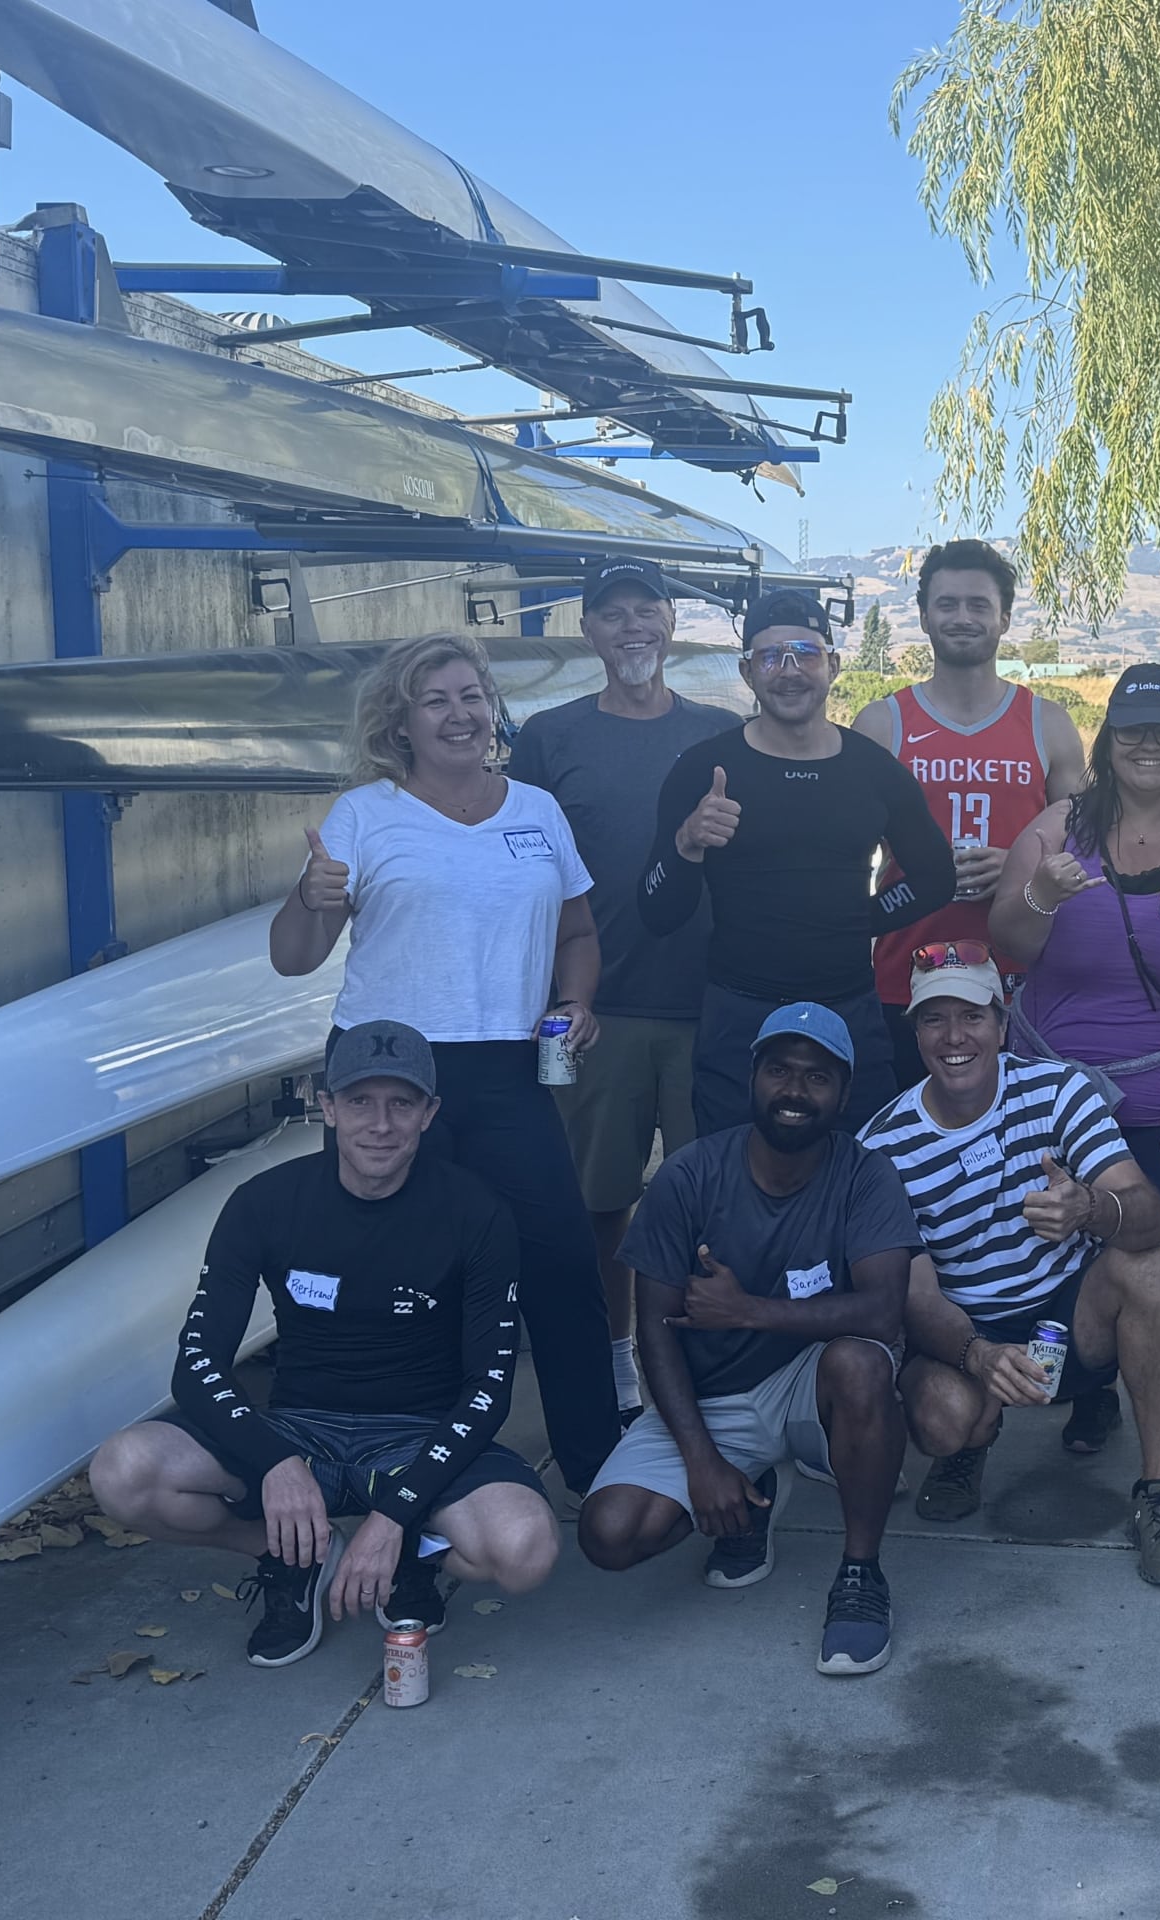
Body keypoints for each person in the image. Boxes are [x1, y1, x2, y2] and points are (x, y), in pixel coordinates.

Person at [89, 1021, 559, 1668]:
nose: (381, 1124)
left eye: (402, 1103)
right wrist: (276, 1460)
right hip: (300, 1431)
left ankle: (407, 1560)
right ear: (328, 1106)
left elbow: (488, 1391)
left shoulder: (475, 1212)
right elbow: (196, 1367)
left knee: (524, 1547)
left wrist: (396, 1514)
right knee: (123, 1471)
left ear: (430, 1113)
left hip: (418, 1435)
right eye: (360, 1101)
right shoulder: (264, 1203)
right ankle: (289, 1557)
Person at [270, 633, 619, 1503]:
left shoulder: (537, 809)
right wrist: (308, 899)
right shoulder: (363, 815)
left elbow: (577, 933)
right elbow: (293, 957)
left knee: (562, 1264)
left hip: (509, 1067)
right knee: (387, 1270)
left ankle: (597, 1463)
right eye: (437, 701)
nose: (460, 714)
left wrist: (576, 1001)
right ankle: (376, 1467)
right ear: (402, 722)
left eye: (472, 695)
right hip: (386, 1073)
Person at [989, 665, 1160, 1498]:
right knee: (1060, 1260)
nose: (1149, 745)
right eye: (1132, 731)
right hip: (1050, 1102)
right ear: (1107, 743)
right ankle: (1091, 1401)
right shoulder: (1055, 830)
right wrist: (1039, 893)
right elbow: (1009, 941)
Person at [577, 1003, 919, 1677]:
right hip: (712, 1398)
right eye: (780, 1071)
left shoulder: (865, 1173)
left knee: (860, 1365)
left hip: (807, 1381)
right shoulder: (689, 1175)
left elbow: (883, 1313)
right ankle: (750, 1488)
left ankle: (860, 1575)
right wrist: (702, 1462)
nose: (795, 1091)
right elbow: (655, 1332)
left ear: (844, 1093)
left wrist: (748, 1310)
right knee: (609, 1535)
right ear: (752, 1077)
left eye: (817, 1077)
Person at [858, 943, 1160, 1585]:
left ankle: (1159, 1497)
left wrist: (1091, 1209)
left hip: (1065, 1319)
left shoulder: (1057, 1088)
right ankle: (970, 1444)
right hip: (963, 1328)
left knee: (1152, 1266)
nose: (954, 1036)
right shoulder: (881, 1145)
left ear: (1002, 1020)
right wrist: (977, 1356)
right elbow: (913, 1295)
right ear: (914, 1031)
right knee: (940, 1422)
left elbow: (1152, 1215)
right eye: (934, 1019)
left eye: (972, 1016)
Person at [508, 556, 740, 1416]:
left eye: (648, 610)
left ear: (673, 623)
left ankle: (705, 1362)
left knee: (707, 1208)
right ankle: (613, 1357)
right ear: (588, 631)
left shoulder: (725, 735)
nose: (632, 626)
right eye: (613, 614)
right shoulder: (548, 738)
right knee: (597, 1204)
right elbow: (522, 873)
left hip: (709, 1010)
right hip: (593, 1014)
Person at [636, 588, 957, 1135]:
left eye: (805, 654)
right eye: (770, 656)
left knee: (858, 1175)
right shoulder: (703, 769)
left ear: (832, 664)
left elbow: (935, 878)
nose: (789, 671)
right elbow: (656, 911)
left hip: (847, 1008)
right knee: (732, 1184)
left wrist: (862, 918)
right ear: (746, 671)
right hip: (740, 1015)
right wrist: (687, 845)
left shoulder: (872, 770)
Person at [854, 539, 1086, 1088]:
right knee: (907, 1150)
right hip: (905, 977)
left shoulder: (1047, 723)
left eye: (978, 605)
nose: (962, 618)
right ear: (924, 616)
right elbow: (844, 856)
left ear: (1004, 617)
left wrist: (1019, 866)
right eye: (948, 604)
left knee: (1021, 1153)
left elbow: (1084, 846)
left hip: (1019, 978)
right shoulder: (882, 723)